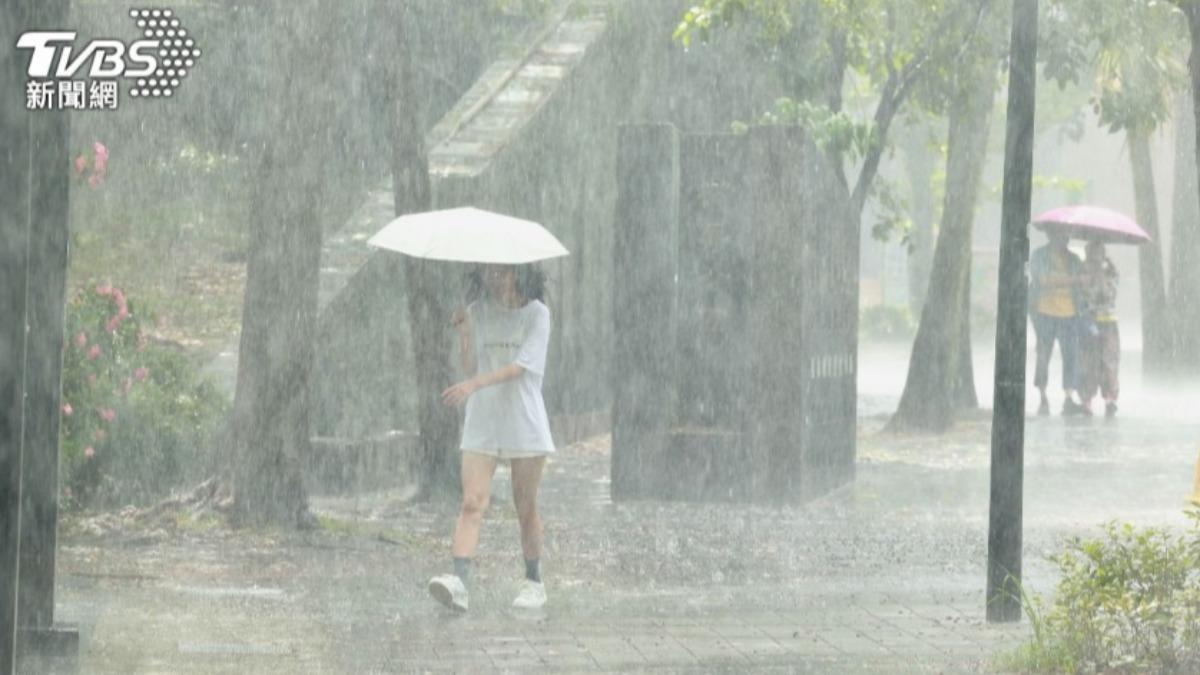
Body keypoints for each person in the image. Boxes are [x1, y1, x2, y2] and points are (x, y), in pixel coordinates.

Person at [427, 263, 555, 612]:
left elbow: (518, 369)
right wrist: (465, 331)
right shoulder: (477, 312)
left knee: (525, 505)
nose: (494, 280)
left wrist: (474, 385)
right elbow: (470, 367)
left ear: (517, 273)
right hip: (483, 420)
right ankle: (460, 584)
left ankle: (533, 581)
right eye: (489, 273)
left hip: (524, 422)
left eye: (501, 273)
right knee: (472, 502)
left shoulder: (537, 315)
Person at [1029, 229, 1085, 416]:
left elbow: (1082, 282)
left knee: (1071, 356)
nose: (1064, 239)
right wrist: (1074, 280)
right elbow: (1043, 280)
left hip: (1069, 314)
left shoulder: (1074, 260)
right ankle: (1043, 397)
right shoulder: (1039, 255)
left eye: (1066, 236)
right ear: (1050, 235)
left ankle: (1069, 398)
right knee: (1043, 355)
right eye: (1060, 235)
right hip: (1044, 312)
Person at [1077, 240, 1120, 418]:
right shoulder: (1083, 273)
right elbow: (1084, 298)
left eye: (1099, 253)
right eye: (1093, 254)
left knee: (1108, 361)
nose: (1096, 258)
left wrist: (1108, 269)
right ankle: (1087, 401)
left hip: (1108, 323)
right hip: (1090, 323)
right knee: (1090, 362)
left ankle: (1110, 399)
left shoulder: (1109, 272)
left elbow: (1111, 292)